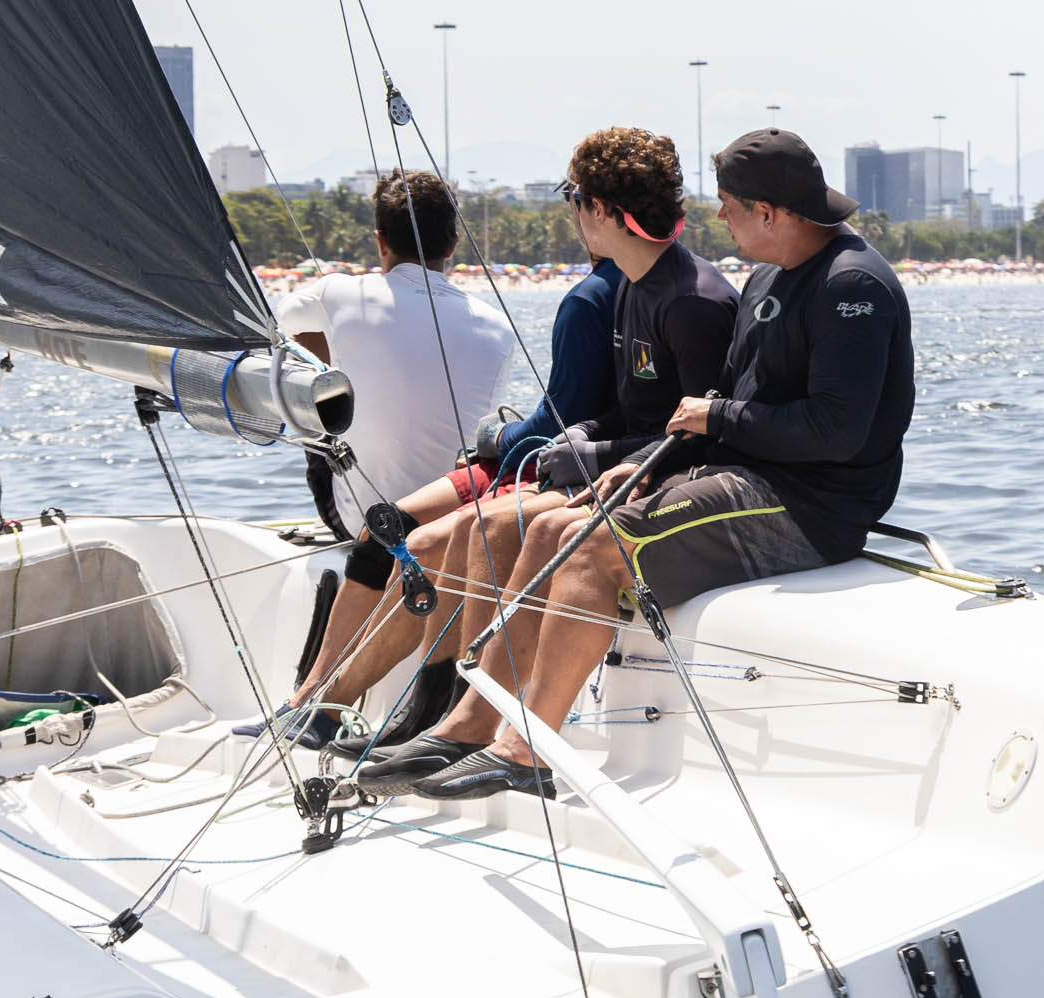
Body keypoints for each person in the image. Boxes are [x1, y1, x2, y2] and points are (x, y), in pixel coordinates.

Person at [406, 126, 915, 800]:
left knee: (595, 550)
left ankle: (526, 752)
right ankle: (472, 724)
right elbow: (722, 403)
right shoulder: (769, 274)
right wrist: (649, 460)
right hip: (745, 475)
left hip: (809, 506)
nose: (718, 217)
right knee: (553, 528)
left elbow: (835, 431)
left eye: (729, 205)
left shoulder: (852, 286)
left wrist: (716, 420)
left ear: (768, 213)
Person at [343, 126, 738, 793]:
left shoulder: (691, 301)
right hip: (628, 466)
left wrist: (595, 449)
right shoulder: (636, 287)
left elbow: (701, 438)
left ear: (601, 209)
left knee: (503, 522)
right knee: (483, 526)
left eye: (573, 197)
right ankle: (466, 716)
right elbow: (633, 411)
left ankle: (476, 723)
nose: (571, 210)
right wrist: (580, 436)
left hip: (668, 478)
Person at [273, 243, 622, 757]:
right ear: (452, 246)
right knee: (385, 526)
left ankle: (413, 707)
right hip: (537, 455)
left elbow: (557, 418)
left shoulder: (588, 299)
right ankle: (316, 697)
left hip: (551, 459)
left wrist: (494, 437)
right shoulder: (566, 303)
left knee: (435, 543)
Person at [235, 168, 516, 748]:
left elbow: (277, 328)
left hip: (364, 512)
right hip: (449, 509)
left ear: (381, 242)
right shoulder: (496, 326)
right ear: (453, 244)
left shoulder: (337, 293)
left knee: (316, 382)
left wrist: (344, 361)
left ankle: (311, 701)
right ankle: (324, 702)